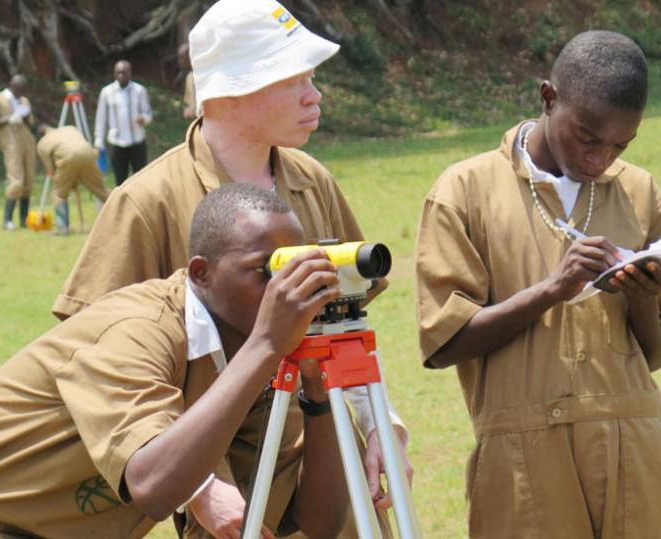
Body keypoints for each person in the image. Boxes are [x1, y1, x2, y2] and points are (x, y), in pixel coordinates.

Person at [53, 1, 409, 536]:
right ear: (230, 90)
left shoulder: (313, 182)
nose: (315, 96)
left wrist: (383, 426)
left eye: (311, 79)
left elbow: (342, 328)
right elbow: (96, 360)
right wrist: (198, 490)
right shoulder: (146, 202)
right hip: (231, 482)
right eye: (294, 81)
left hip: (329, 457)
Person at [0, 183, 348, 539]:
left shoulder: (252, 354)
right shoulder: (136, 330)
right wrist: (267, 344)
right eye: (266, 270)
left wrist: (316, 389)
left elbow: (317, 523)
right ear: (201, 273)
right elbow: (153, 486)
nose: (285, 289)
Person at [415, 31, 661, 538]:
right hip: (524, 457)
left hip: (636, 443)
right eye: (587, 138)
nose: (599, 160)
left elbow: (652, 356)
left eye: (620, 145)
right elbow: (445, 341)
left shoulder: (637, 190)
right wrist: (551, 288)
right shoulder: (465, 190)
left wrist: (642, 299)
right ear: (548, 97)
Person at [0, 74, 36, 230]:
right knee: (16, 180)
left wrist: (25, 115)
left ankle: (24, 220)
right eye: (18, 89)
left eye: (23, 90)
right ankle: (7, 220)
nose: (20, 93)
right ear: (11, 86)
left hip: (26, 141)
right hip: (10, 142)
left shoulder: (24, 101)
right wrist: (9, 118)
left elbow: (30, 122)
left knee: (28, 181)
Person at [36, 124, 111, 235]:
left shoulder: (42, 143)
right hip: (88, 153)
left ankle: (62, 228)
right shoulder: (69, 128)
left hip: (68, 158)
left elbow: (50, 169)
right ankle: (119, 216)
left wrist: (65, 181)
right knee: (101, 190)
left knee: (59, 195)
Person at [94, 60, 152, 186]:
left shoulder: (139, 90)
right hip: (117, 142)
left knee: (141, 179)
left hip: (137, 140)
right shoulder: (107, 92)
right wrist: (99, 140)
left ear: (130, 73)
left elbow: (148, 114)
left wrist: (143, 119)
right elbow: (101, 117)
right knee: (120, 182)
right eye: (118, 73)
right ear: (114, 74)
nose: (121, 76)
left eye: (124, 73)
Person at [177, 43, 197, 121]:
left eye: (182, 58)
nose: (179, 62)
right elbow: (188, 103)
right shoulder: (189, 77)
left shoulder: (203, 76)